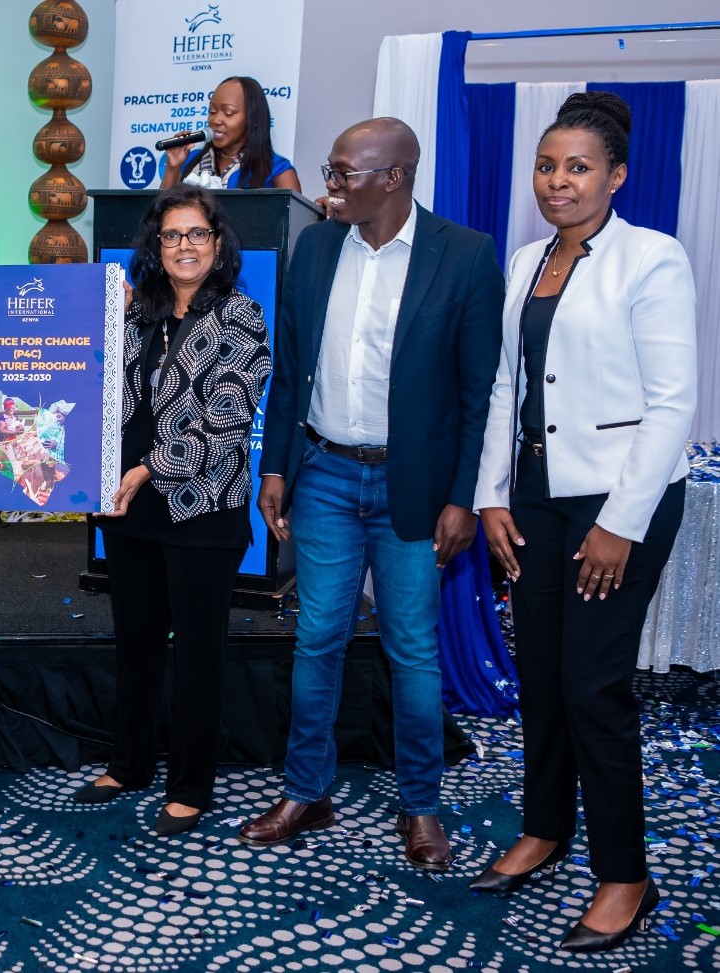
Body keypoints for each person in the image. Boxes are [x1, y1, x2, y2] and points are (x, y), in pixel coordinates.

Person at [240, 118, 503, 870]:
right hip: (322, 472)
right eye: (332, 168)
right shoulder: (316, 246)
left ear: (396, 177)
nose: (332, 183)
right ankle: (306, 790)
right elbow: (291, 370)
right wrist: (277, 468)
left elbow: (478, 392)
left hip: (414, 487)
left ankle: (421, 806)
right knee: (317, 635)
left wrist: (463, 496)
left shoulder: (464, 256)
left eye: (347, 171)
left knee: (412, 649)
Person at [470, 92, 695, 953]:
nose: (557, 181)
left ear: (616, 175)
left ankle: (625, 873)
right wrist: (494, 494)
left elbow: (674, 403)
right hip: (534, 498)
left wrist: (620, 523)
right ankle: (544, 827)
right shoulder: (528, 259)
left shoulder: (653, 259)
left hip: (619, 501)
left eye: (577, 167)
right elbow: (506, 388)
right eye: (546, 165)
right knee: (541, 677)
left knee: (592, 685)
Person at [74, 184, 270, 836]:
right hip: (129, 510)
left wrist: (145, 469)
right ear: (155, 247)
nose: (184, 246)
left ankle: (191, 783)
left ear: (218, 244)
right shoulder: (134, 315)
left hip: (201, 509)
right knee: (135, 644)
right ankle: (129, 763)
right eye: (171, 235)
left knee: (198, 651)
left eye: (197, 234)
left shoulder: (240, 316)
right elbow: (91, 390)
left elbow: (226, 419)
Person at [159, 76, 302, 193]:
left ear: (253, 119)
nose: (216, 120)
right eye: (212, 112)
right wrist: (173, 168)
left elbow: (295, 224)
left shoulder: (277, 169)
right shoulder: (190, 159)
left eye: (229, 113)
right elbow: (158, 216)